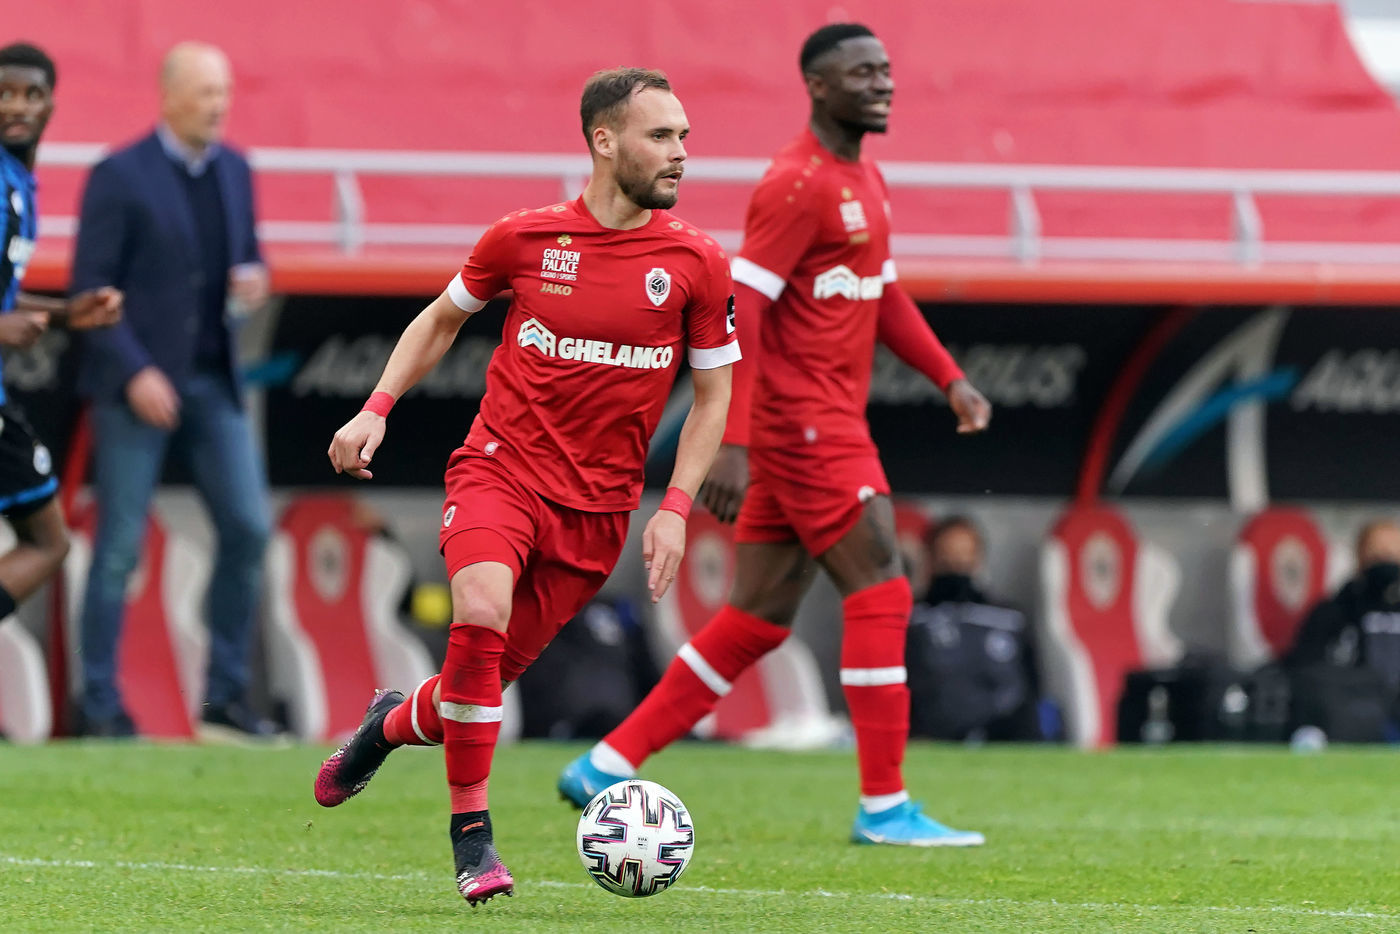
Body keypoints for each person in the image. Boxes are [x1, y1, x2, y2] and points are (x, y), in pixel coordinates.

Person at [558, 23, 993, 848]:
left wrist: (948, 376)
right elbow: (743, 306)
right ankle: (884, 806)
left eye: (885, 70)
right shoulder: (797, 184)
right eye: (861, 73)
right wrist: (736, 438)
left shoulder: (864, 178)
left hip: (819, 422)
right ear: (818, 87)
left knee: (755, 619)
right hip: (804, 424)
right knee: (884, 588)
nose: (881, 84)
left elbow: (882, 293)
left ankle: (606, 763)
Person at [313, 68, 737, 906]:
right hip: (499, 471)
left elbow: (715, 395)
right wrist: (375, 408)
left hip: (599, 512)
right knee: (479, 609)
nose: (680, 153)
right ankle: (472, 837)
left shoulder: (696, 261)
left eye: (684, 136)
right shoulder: (524, 239)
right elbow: (442, 317)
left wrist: (675, 509)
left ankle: (384, 728)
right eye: (661, 135)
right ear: (603, 141)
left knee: (468, 696)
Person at [70, 42, 275, 740]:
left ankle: (225, 697)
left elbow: (248, 259)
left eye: (224, 93)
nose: (219, 106)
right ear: (169, 96)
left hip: (213, 379)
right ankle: (99, 705)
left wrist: (256, 280)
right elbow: (90, 290)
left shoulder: (236, 170)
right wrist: (135, 371)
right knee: (119, 547)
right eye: (206, 93)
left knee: (249, 528)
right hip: (136, 389)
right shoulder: (118, 174)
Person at [0, 42, 121, 628]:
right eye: (4, 93)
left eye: (31, 94)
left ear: (50, 106)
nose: (17, 105)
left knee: (49, 540)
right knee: (48, 541)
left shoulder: (18, 180)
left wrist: (66, 315)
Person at [906, 516, 1041, 742]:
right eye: (947, 555)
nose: (957, 564)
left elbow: (1031, 687)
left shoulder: (1010, 618)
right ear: (930, 559)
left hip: (1002, 739)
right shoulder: (911, 619)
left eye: (965, 555)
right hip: (931, 739)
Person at [1284, 519, 1400, 735]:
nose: (1386, 563)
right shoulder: (1336, 609)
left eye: (1392, 555)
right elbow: (1307, 668)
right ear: (1360, 557)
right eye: (1377, 556)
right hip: (1356, 714)